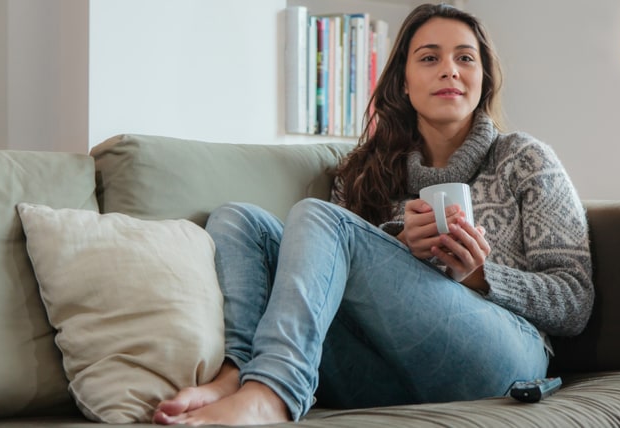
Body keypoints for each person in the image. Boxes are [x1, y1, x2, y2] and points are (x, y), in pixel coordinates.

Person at [153, 3, 594, 426]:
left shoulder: (525, 158)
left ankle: (272, 393)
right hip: (379, 371)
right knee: (237, 219)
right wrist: (397, 247)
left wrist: (480, 276)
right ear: (403, 81)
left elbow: (574, 302)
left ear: (484, 78)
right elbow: (325, 291)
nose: (450, 70)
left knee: (318, 216)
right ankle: (236, 373)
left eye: (465, 57)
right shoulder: (363, 172)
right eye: (429, 57)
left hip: (503, 359)